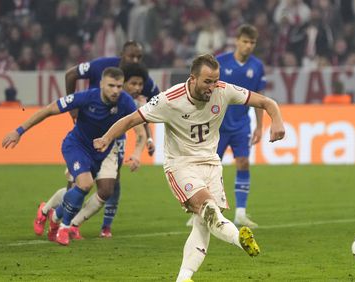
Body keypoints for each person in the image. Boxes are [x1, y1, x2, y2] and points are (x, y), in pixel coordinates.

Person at [93, 54, 285, 282]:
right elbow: (130, 120)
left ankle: (183, 278)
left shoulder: (224, 90)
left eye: (216, 80)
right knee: (208, 208)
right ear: (192, 79)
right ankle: (239, 239)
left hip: (211, 164)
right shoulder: (169, 99)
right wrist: (106, 138)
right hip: (181, 164)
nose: (213, 87)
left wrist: (277, 120)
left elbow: (267, 102)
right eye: (207, 81)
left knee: (203, 224)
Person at [3, 67, 140, 246]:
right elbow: (49, 109)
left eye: (119, 86)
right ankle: (64, 228)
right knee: (85, 184)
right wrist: (19, 130)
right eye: (111, 86)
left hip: (99, 153)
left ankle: (53, 216)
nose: (115, 91)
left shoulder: (125, 101)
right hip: (76, 146)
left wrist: (141, 146)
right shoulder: (85, 97)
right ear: (101, 84)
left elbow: (137, 120)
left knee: (78, 191)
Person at [33, 63, 150, 241]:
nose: (137, 88)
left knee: (106, 189)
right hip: (86, 146)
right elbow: (70, 79)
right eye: (133, 84)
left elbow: (141, 127)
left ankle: (72, 225)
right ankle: (46, 210)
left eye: (140, 85)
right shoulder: (98, 95)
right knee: (77, 188)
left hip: (111, 148)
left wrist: (139, 150)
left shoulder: (129, 102)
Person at [54, 41, 158, 238]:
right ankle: (49, 213)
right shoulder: (101, 66)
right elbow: (71, 74)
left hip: (113, 140)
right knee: (77, 185)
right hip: (86, 135)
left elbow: (150, 110)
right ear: (121, 54)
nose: (134, 60)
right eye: (131, 56)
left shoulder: (140, 81)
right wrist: (72, 105)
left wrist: (149, 140)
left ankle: (82, 226)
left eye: (138, 57)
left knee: (110, 185)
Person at [213, 24, 266, 228]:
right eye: (245, 41)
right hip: (218, 125)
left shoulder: (257, 66)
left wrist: (260, 127)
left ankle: (240, 214)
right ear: (237, 41)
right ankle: (203, 211)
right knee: (211, 168)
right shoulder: (220, 62)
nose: (248, 46)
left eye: (252, 43)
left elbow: (260, 99)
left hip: (241, 125)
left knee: (243, 162)